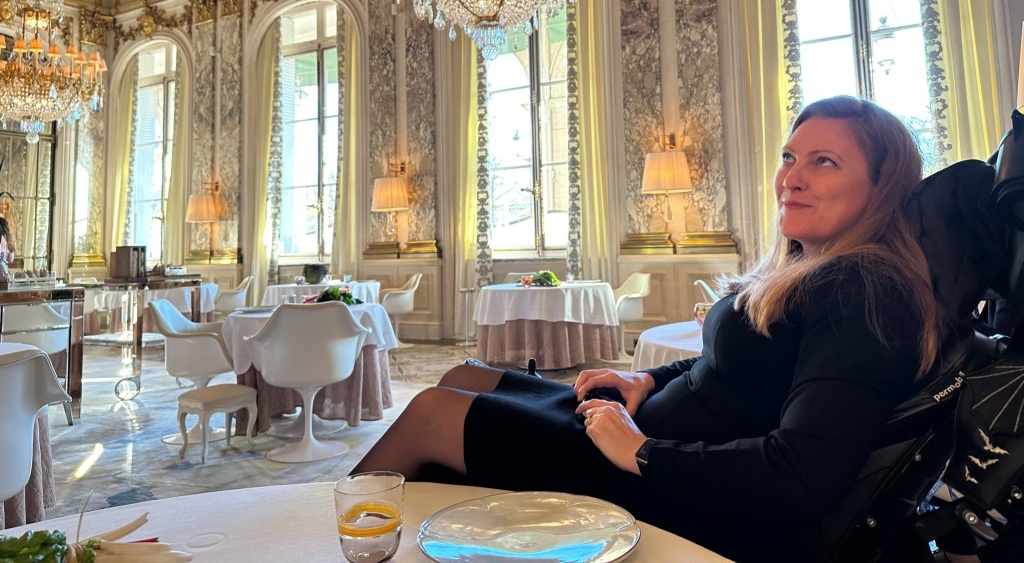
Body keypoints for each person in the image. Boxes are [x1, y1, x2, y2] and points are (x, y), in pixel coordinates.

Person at [353, 96, 944, 562]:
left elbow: (803, 475)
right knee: (464, 375)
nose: (792, 176)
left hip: (670, 483)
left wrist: (642, 452)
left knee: (434, 411)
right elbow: (741, 368)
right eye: (790, 157)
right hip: (646, 431)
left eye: (824, 162)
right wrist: (648, 379)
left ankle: (329, 538)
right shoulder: (809, 270)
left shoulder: (867, 292)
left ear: (881, 187)